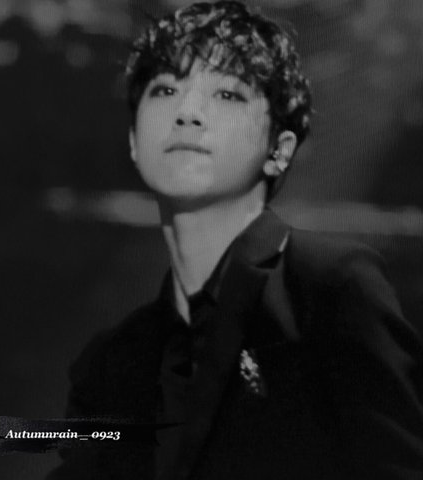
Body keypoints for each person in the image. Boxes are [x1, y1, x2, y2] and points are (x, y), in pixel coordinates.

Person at [48, 2, 423, 479]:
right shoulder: (115, 359)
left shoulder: (328, 291)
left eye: (227, 94)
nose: (187, 113)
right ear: (135, 143)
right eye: (165, 90)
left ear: (278, 150)